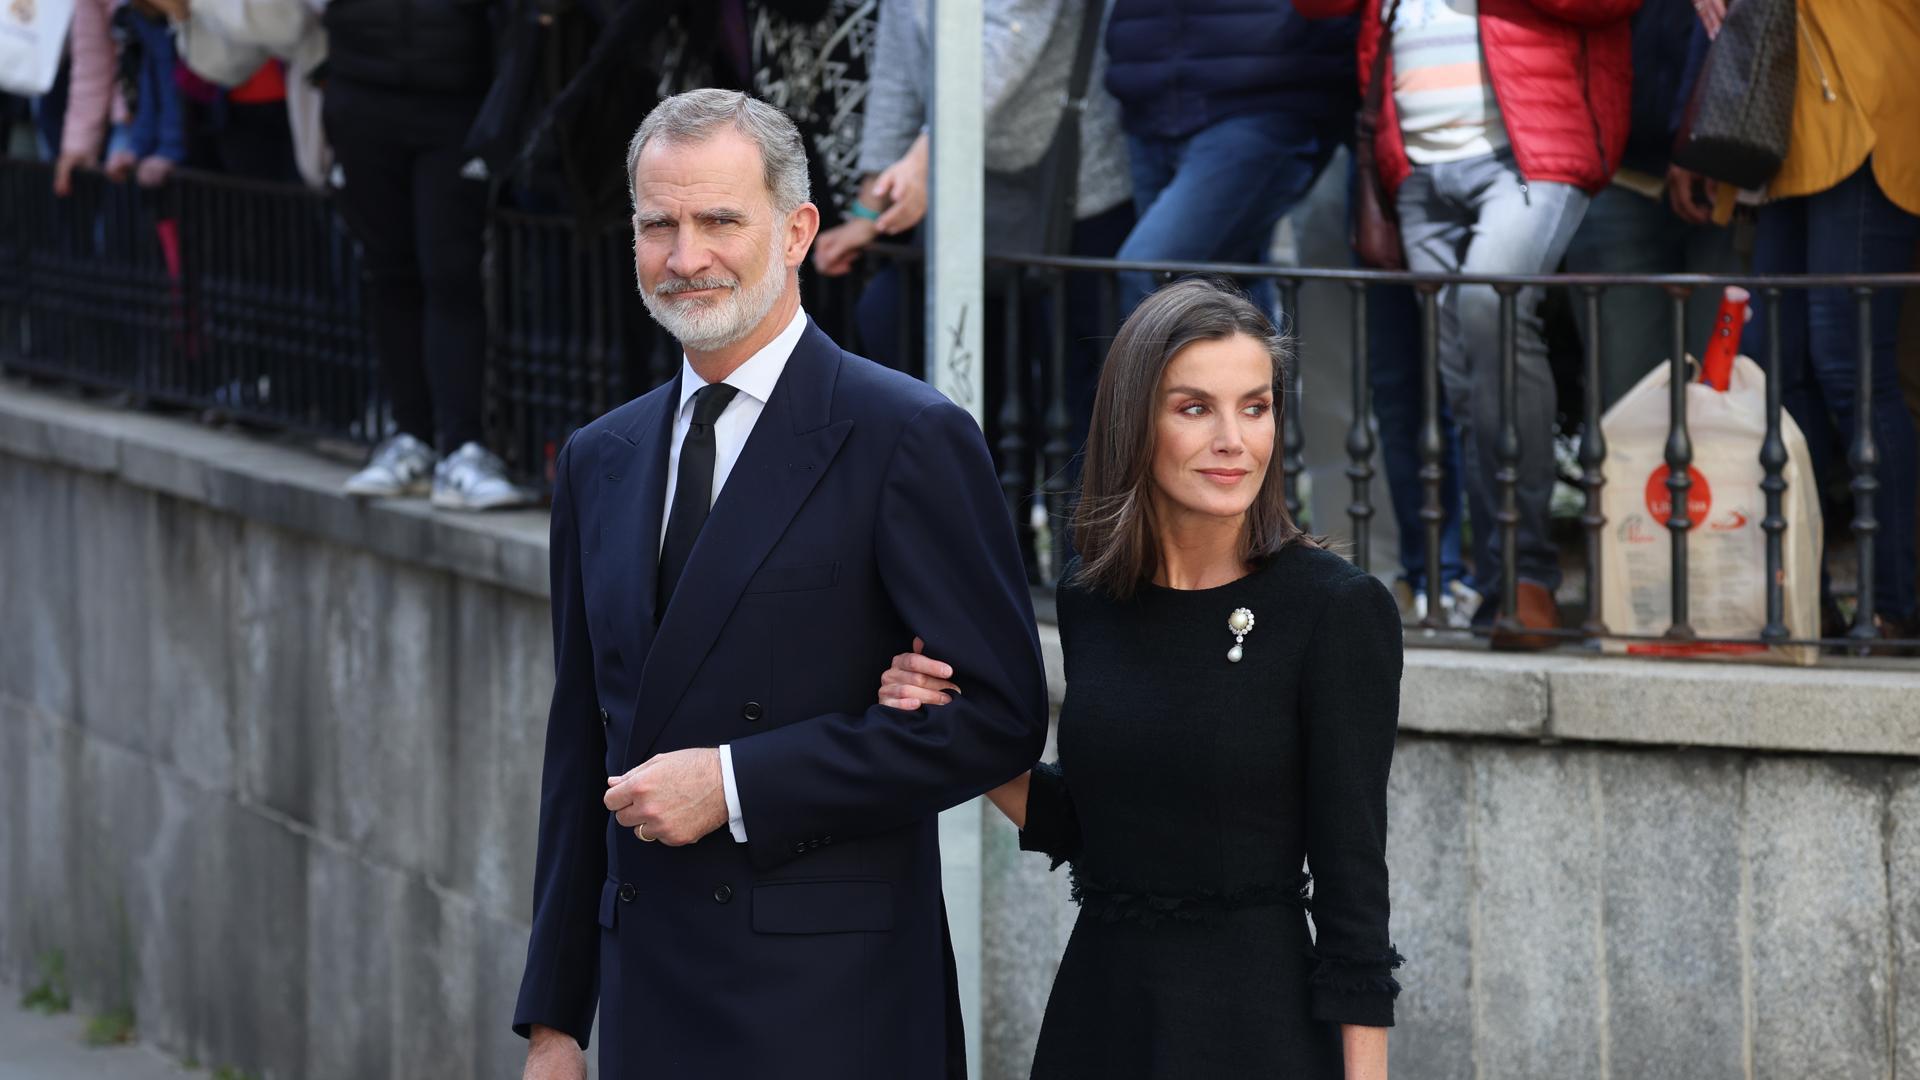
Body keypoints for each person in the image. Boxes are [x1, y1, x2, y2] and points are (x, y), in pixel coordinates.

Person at [511, 89, 1049, 1080]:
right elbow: (581, 741)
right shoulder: (601, 459)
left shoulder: (904, 436)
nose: (686, 256)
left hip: (833, 1009)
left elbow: (1000, 719)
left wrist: (731, 783)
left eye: (720, 220)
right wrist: (554, 1019)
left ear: (798, 231)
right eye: (657, 225)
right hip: (648, 1000)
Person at [882, 278, 1404, 1079]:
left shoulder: (1336, 611)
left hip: (1252, 1029)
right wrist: (952, 722)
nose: (1235, 439)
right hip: (1102, 1017)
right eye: (1195, 408)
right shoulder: (1092, 597)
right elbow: (1093, 824)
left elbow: (1353, 890)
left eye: (1255, 407)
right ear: (1135, 422)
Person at [1296, 0, 1638, 649]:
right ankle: (1504, 584)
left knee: (1491, 304)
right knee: (1465, 378)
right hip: (1421, 174)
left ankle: (1529, 579)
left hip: (1528, 154)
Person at [1735, 0, 1920, 645]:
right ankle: (1806, 604)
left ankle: (1894, 606)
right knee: (1776, 374)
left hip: (1869, 114)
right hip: (1791, 139)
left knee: (1853, 371)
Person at [325, 0, 536, 509]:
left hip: (456, 101)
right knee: (388, 272)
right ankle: (411, 437)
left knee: (451, 273)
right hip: (360, 91)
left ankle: (464, 447)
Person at [1104, 0, 1357, 314]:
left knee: (1150, 272)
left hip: (1268, 94)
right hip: (1149, 98)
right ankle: (1261, 364)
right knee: (1231, 290)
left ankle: (1151, 366)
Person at [1563, 0, 1743, 411]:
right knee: (1628, 405)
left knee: (1724, 399)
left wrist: (1704, 137)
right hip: (1615, 166)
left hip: (1733, 167)